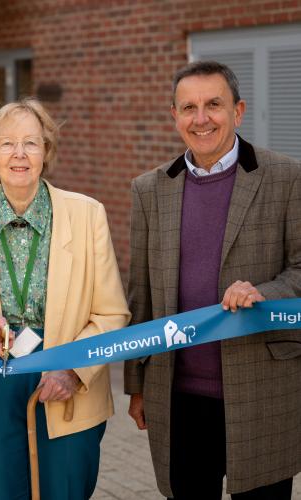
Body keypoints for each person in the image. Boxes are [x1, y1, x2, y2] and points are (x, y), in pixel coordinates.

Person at [124, 60, 301, 500]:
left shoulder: (287, 177)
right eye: (189, 107)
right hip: (177, 395)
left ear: (238, 111)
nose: (201, 119)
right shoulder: (148, 189)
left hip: (263, 389)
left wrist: (264, 292)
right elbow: (140, 293)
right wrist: (136, 385)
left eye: (213, 105)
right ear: (175, 116)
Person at [0, 98, 130, 500]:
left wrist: (73, 370)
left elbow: (112, 312)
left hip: (64, 377)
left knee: (63, 488)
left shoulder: (88, 214)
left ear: (47, 150)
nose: (19, 154)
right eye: (6, 143)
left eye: (31, 142)